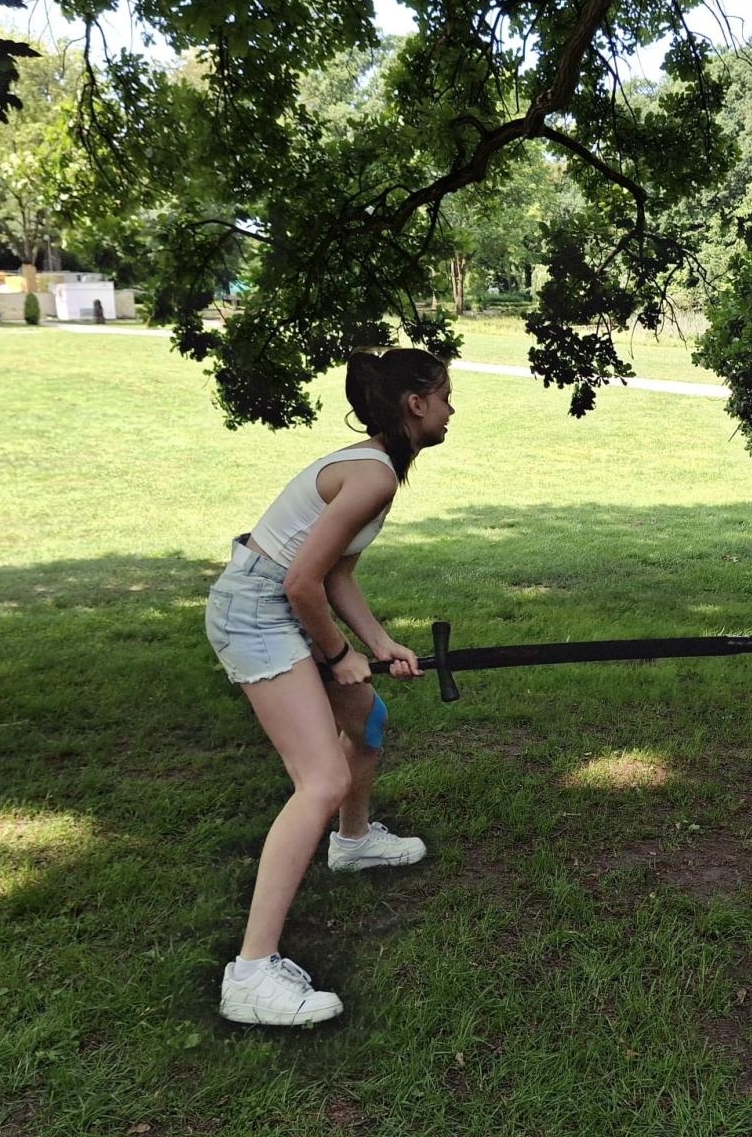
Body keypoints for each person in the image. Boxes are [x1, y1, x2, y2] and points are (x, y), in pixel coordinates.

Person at [205, 347, 454, 1025]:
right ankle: (251, 974)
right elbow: (299, 583)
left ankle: (354, 841)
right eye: (444, 396)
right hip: (258, 612)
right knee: (320, 780)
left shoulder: (378, 468)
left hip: (279, 602)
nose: (450, 409)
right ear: (415, 404)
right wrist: (339, 652)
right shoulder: (373, 476)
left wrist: (379, 644)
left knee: (366, 720)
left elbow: (336, 572)